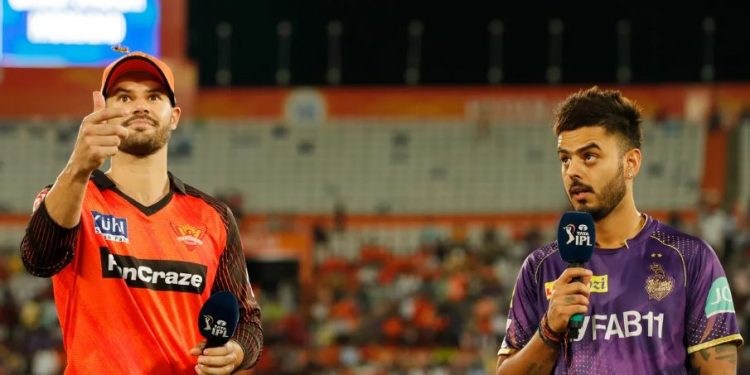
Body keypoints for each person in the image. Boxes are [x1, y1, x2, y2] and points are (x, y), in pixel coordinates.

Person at [20, 51, 263, 374]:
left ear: (174, 116)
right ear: (104, 111)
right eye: (124, 96)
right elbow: (38, 259)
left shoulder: (213, 217)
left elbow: (248, 321)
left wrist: (235, 352)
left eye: (154, 96)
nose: (140, 105)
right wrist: (79, 167)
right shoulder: (71, 195)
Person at [496, 87, 743, 374]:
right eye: (565, 159)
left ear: (631, 163)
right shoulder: (540, 268)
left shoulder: (691, 258)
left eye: (588, 156)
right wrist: (548, 330)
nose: (572, 171)